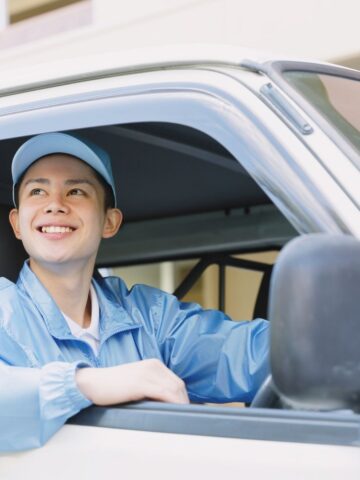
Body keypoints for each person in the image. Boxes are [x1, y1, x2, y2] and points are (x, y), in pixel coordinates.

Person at [0, 132, 269, 452]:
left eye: (75, 191)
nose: (55, 205)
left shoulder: (149, 316)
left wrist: (322, 346)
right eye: (38, 191)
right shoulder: (5, 313)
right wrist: (83, 384)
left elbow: (243, 353)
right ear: (17, 223)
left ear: (109, 222)